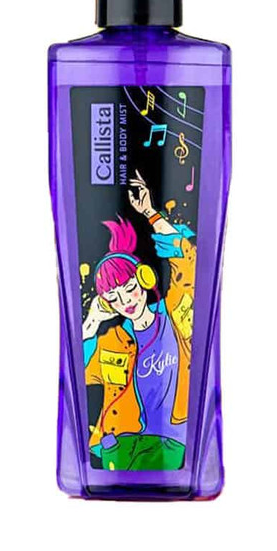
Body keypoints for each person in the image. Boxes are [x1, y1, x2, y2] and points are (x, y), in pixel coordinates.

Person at [82, 171, 196, 470]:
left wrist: (150, 213)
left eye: (130, 288)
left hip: (172, 440)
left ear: (145, 279)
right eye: (114, 297)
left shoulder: (174, 314)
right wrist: (91, 324)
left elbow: (187, 261)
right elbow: (79, 373)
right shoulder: (112, 340)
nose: (126, 301)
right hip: (119, 444)